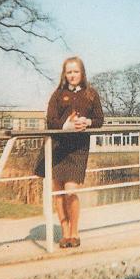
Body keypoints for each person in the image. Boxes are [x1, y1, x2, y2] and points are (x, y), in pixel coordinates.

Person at [34, 56, 104, 248]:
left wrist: (88, 122)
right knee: (59, 193)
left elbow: (99, 119)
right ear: (64, 74)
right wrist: (66, 125)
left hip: (78, 149)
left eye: (76, 71)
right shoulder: (57, 95)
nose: (72, 75)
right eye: (69, 72)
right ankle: (65, 235)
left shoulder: (91, 94)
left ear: (82, 73)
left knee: (71, 191)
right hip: (58, 147)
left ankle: (75, 232)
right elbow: (51, 121)